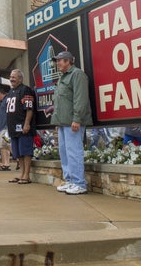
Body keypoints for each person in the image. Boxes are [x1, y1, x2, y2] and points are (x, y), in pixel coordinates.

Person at [51, 51, 92, 195]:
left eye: (60, 60)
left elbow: (80, 98)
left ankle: (79, 183)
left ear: (68, 61)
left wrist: (77, 119)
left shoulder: (77, 74)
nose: (57, 63)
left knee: (74, 152)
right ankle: (70, 181)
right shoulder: (63, 77)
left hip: (73, 122)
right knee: (64, 152)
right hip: (63, 122)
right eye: (57, 61)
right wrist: (57, 120)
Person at [4, 69, 37, 185]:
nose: (11, 79)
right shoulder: (11, 92)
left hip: (23, 127)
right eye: (10, 76)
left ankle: (26, 175)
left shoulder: (25, 90)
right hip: (13, 128)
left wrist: (27, 123)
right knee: (18, 153)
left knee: (26, 152)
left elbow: (29, 108)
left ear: (20, 79)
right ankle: (21, 174)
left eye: (14, 77)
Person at [0, 83, 12, 171]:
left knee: (5, 145)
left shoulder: (7, 100)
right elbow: (2, 113)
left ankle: (18, 158)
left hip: (6, 127)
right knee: (4, 145)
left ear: (0, 93)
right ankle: (6, 163)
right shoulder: (3, 102)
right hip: (3, 127)